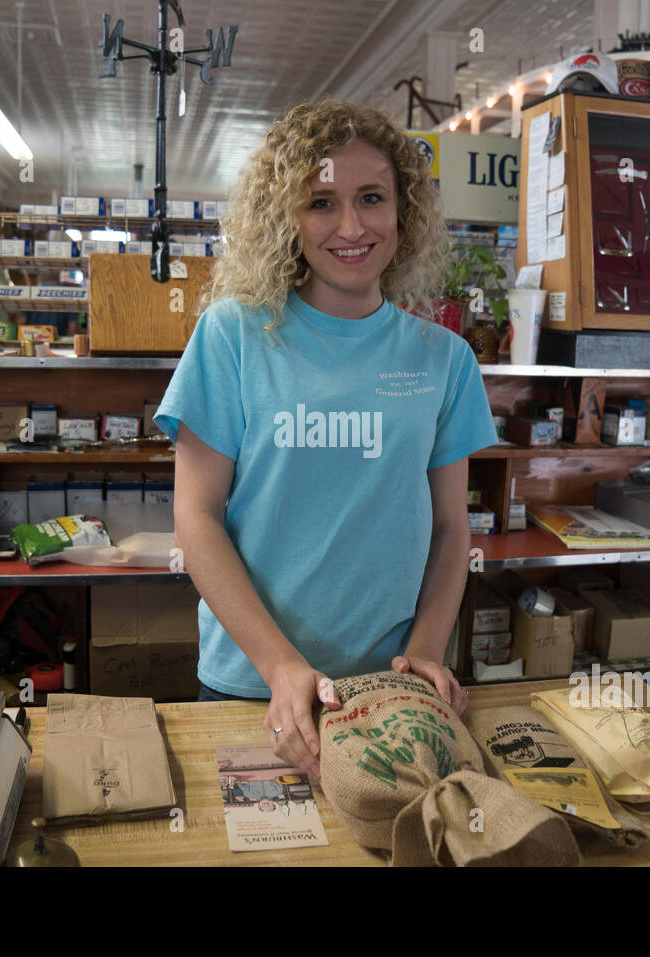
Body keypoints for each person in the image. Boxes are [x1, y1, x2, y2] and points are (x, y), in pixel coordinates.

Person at [153, 99, 499, 776]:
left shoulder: (445, 360)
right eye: (320, 202)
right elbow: (196, 518)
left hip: (389, 694)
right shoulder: (232, 336)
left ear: (404, 212)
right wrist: (282, 665)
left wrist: (426, 654)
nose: (350, 226)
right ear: (287, 216)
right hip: (254, 686)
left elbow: (453, 528)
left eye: (371, 197)